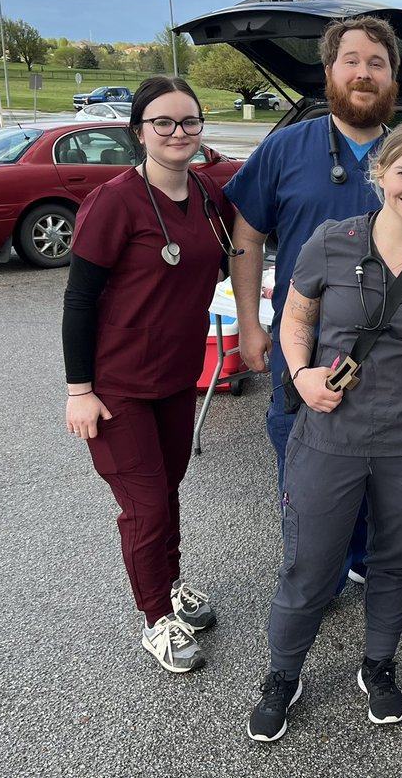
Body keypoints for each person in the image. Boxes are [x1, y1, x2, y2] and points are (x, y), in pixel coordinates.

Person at [246, 117, 402, 742]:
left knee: (395, 558)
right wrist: (300, 374)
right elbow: (296, 318)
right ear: (380, 174)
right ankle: (283, 675)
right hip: (331, 434)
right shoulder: (330, 241)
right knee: (310, 564)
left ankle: (377, 664)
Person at [225, 15, 402, 591]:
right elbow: (247, 235)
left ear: (392, 78)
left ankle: (362, 559)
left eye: (377, 63)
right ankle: (316, 574)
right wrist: (248, 323)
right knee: (305, 471)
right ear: (329, 71)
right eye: (351, 60)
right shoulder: (285, 148)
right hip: (304, 355)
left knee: (383, 476)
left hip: (395, 370)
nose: (363, 73)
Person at [62, 77, 236, 673]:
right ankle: (156, 618)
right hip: (117, 388)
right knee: (145, 507)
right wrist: (79, 391)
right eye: (162, 123)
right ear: (140, 132)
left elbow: (251, 230)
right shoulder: (114, 201)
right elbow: (79, 300)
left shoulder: (210, 195)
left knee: (167, 491)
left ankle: (170, 583)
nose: (178, 133)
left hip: (175, 379)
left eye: (189, 121)